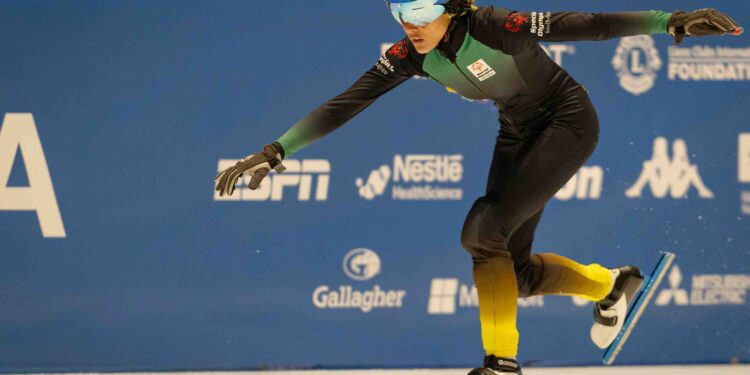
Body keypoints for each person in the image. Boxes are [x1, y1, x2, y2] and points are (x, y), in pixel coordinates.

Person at [215, 1, 742, 373]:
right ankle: (610, 285)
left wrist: (667, 20)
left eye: (422, 10)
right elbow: (346, 102)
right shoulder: (410, 55)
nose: (411, 22)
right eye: (400, 9)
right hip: (517, 131)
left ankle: (501, 362)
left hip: (568, 122)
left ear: (454, 6)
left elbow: (588, 23)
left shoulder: (497, 26)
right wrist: (274, 151)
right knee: (514, 274)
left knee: (482, 230)